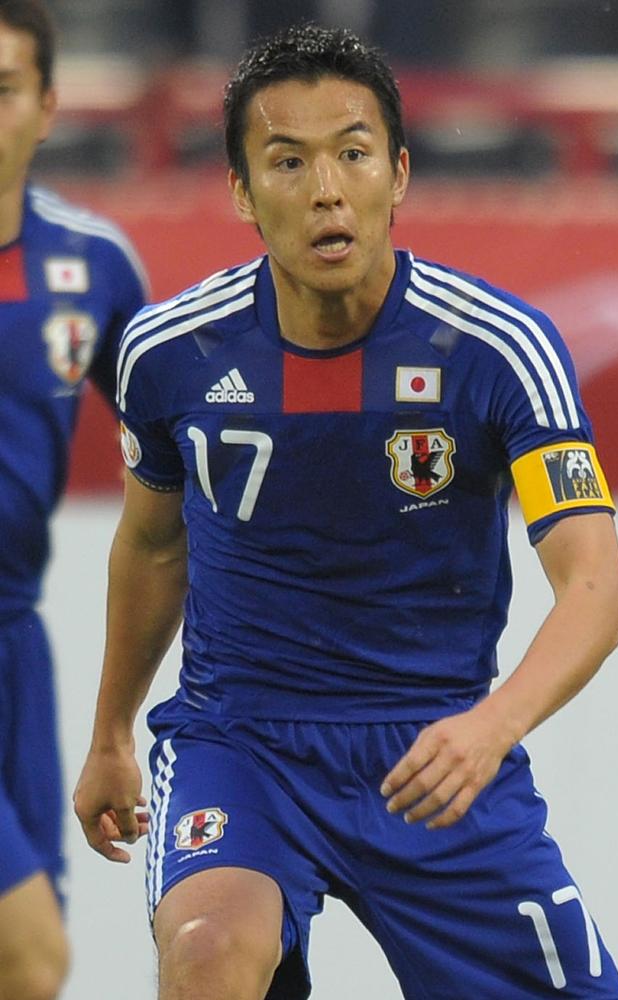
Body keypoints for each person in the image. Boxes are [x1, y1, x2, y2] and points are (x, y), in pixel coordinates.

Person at [74, 22, 618, 1000]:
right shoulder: (169, 353)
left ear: (399, 172)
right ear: (242, 191)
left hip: (434, 748)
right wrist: (112, 731)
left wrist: (490, 727)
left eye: (354, 154)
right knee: (205, 952)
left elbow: (593, 586)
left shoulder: (500, 349)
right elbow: (153, 546)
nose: (327, 190)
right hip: (241, 743)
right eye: (288, 162)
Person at [0, 2, 149, 997]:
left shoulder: (92, 265)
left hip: (17, 646)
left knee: (26, 970)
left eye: (2, 90)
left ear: (48, 106)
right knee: (31, 955)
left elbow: (178, 462)